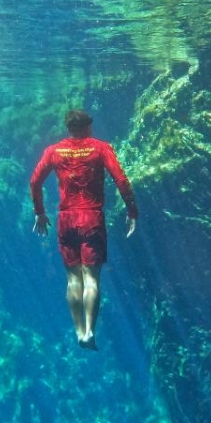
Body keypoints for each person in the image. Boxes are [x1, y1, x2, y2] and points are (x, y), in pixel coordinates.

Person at [29, 109, 138, 351]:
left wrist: (39, 211)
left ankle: (78, 331)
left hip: (66, 220)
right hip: (91, 218)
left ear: (68, 128)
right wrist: (132, 211)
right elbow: (121, 179)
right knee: (91, 280)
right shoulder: (100, 148)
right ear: (88, 126)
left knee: (72, 281)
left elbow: (35, 181)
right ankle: (90, 330)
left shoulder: (53, 151)